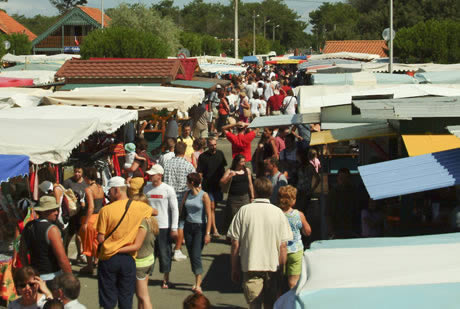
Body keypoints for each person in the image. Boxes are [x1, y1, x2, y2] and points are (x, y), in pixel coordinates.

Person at [227, 178, 293, 309]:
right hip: (272, 266)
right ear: (270, 192)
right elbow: (283, 246)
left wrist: (234, 267)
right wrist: (282, 269)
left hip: (251, 265)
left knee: (254, 304)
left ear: (254, 191)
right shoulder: (278, 213)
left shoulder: (244, 211)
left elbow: (235, 243)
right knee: (271, 304)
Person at [96, 176, 155, 309]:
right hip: (128, 257)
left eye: (109, 191)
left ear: (116, 190)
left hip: (108, 257)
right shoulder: (139, 207)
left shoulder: (105, 210)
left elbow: (100, 238)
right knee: (126, 296)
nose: (108, 194)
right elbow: (154, 212)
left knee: (108, 298)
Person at [118, 194, 159, 309]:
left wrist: (116, 249)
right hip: (149, 259)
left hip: (140, 263)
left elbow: (136, 245)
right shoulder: (151, 220)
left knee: (143, 297)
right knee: (141, 296)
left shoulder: (141, 223)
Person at [19, 196, 72, 281]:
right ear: (44, 212)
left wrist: (28, 272)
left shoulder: (29, 226)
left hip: (35, 276)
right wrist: (70, 278)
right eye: (53, 210)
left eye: (56, 209)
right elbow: (62, 259)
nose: (56, 213)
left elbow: (22, 253)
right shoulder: (52, 229)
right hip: (52, 276)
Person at [143, 165, 179, 289]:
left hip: (164, 226)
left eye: (153, 174)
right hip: (149, 226)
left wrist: (174, 228)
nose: (150, 176)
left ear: (160, 175)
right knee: (148, 252)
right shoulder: (146, 188)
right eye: (150, 174)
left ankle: (165, 279)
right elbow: (143, 206)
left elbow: (174, 209)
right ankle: (146, 277)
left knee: (165, 252)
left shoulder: (168, 189)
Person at [163, 142, 196, 262]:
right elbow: (194, 181)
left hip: (167, 196)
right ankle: (177, 249)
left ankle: (167, 248)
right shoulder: (188, 165)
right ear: (184, 151)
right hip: (182, 197)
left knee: (168, 222)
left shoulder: (166, 164)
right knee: (180, 224)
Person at [180, 173, 212, 294]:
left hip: (200, 227)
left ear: (192, 183)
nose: (186, 183)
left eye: (187, 181)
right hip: (188, 226)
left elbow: (209, 215)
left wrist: (208, 233)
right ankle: (196, 276)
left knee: (196, 254)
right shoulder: (187, 194)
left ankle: (198, 282)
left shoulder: (204, 195)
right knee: (191, 254)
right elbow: (182, 210)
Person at [278, 186, 311, 289]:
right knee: (293, 282)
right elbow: (307, 231)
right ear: (293, 201)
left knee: (278, 282)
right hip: (295, 250)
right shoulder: (298, 214)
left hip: (279, 250)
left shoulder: (276, 214)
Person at [197, 137, 227, 237]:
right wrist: (199, 185)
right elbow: (200, 172)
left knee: (215, 206)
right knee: (212, 207)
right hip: (207, 186)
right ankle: (214, 229)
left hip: (218, 186)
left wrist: (224, 182)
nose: (213, 147)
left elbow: (223, 168)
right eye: (211, 145)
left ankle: (210, 224)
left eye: (215, 145)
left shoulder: (220, 154)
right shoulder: (203, 157)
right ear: (207, 145)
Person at [79, 167, 105, 275]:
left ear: (86, 178)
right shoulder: (100, 188)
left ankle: (89, 266)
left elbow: (91, 207)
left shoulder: (89, 189)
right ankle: (97, 262)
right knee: (97, 242)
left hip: (90, 219)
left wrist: (85, 223)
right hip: (99, 218)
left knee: (88, 242)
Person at [220, 155, 254, 233]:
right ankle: (232, 235)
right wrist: (230, 176)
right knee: (233, 218)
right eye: (241, 162)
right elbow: (222, 182)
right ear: (237, 162)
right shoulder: (230, 170)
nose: (243, 163)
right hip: (233, 199)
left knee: (244, 217)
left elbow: (250, 184)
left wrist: (252, 196)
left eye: (244, 161)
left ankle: (243, 234)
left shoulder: (247, 170)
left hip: (245, 197)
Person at [62, 165, 87, 262]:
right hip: (71, 212)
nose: (77, 174)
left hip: (81, 212)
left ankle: (80, 254)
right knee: (69, 235)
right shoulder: (68, 182)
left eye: (79, 172)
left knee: (79, 235)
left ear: (82, 173)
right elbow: (63, 196)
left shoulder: (85, 183)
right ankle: (65, 254)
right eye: (75, 171)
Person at [327, 168, 359, 239]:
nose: (343, 180)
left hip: (351, 227)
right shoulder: (333, 193)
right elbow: (328, 213)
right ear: (338, 178)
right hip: (337, 228)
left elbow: (357, 210)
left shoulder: (354, 192)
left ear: (349, 179)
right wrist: (331, 230)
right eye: (341, 178)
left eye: (345, 178)